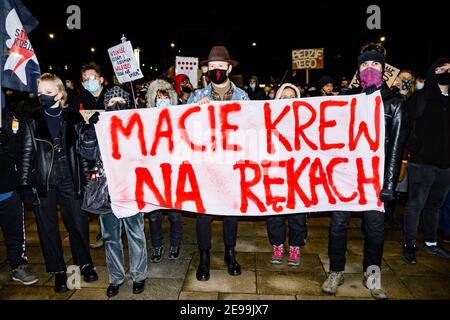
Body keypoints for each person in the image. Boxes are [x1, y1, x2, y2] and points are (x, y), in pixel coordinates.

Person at [321, 46, 408, 300]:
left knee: (375, 229)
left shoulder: (395, 103)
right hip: (345, 176)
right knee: (337, 226)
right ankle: (335, 271)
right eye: (364, 65)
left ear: (383, 69)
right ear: (358, 70)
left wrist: (389, 183)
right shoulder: (347, 98)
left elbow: (395, 147)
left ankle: (372, 274)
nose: (369, 69)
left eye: (375, 64)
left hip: (375, 179)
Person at [19, 73, 98, 293]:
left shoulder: (73, 117)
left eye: (48, 92)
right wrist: (25, 184)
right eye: (40, 93)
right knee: (47, 228)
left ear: (60, 93)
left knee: (77, 223)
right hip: (43, 177)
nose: (43, 96)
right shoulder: (32, 119)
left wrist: (86, 181)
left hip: (69, 176)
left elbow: (83, 153)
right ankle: (59, 272)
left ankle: (84, 264)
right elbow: (27, 153)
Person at [80, 86, 148, 297]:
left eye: (120, 100)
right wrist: (91, 129)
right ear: (105, 105)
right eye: (111, 101)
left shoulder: (138, 126)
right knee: (110, 237)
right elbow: (86, 151)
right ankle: (116, 277)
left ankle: (139, 276)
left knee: (135, 234)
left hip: (131, 188)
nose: (116, 104)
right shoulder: (99, 125)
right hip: (106, 190)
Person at [188, 46, 249, 281]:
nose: (215, 71)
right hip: (206, 164)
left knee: (230, 211)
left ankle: (229, 253)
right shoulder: (196, 96)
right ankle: (204, 256)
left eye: (220, 67)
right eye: (211, 68)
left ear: (229, 68)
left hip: (232, 164)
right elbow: (186, 129)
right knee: (203, 212)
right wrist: (196, 111)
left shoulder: (242, 96)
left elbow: (250, 128)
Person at [403, 57, 450, 263]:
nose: (445, 71)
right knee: (416, 204)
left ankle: (431, 242)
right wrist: (416, 147)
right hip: (422, 163)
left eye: (449, 68)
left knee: (435, 204)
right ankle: (409, 245)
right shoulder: (421, 97)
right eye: (441, 68)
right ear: (434, 71)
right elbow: (406, 125)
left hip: (446, 165)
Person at [266, 83, 307, 267]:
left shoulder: (306, 120)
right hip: (275, 172)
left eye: (293, 97)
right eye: (284, 97)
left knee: (297, 212)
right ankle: (277, 245)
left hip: (298, 173)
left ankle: (296, 246)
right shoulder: (269, 119)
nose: (288, 101)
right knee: (275, 212)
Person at [0, 90, 38, 285]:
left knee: (14, 231)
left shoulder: (13, 119)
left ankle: (18, 265)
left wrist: (8, 144)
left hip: (7, 187)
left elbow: (24, 149)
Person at [144, 79, 183, 262]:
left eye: (166, 97)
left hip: (174, 173)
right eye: (159, 98)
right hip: (153, 173)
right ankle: (157, 246)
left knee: (175, 214)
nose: (162, 101)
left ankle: (175, 244)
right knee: (154, 215)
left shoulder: (179, 119)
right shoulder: (145, 120)